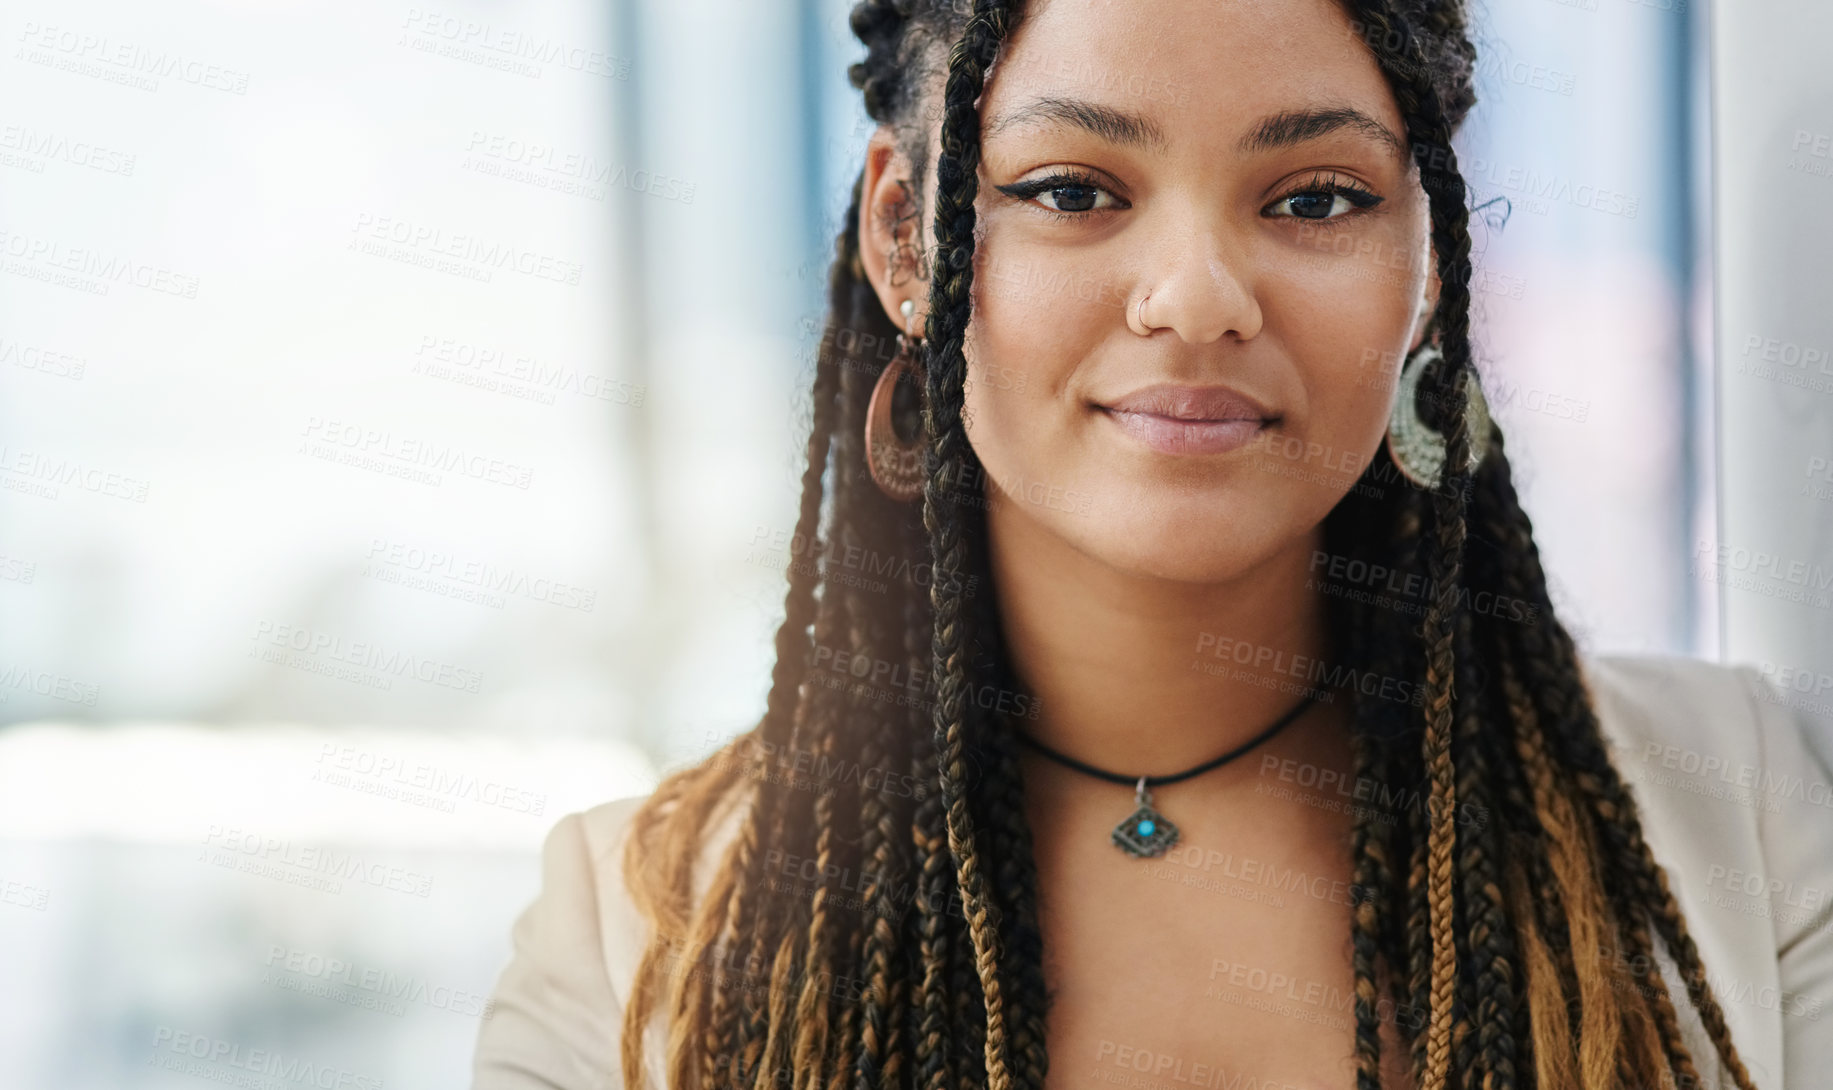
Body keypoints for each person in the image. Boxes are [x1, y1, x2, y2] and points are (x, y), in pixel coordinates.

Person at [472, 0, 1833, 1086]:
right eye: (1073, 190)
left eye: (1312, 198)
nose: (1194, 299)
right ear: (907, 237)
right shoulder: (633, 933)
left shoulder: (1738, 808)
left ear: (1426, 254)